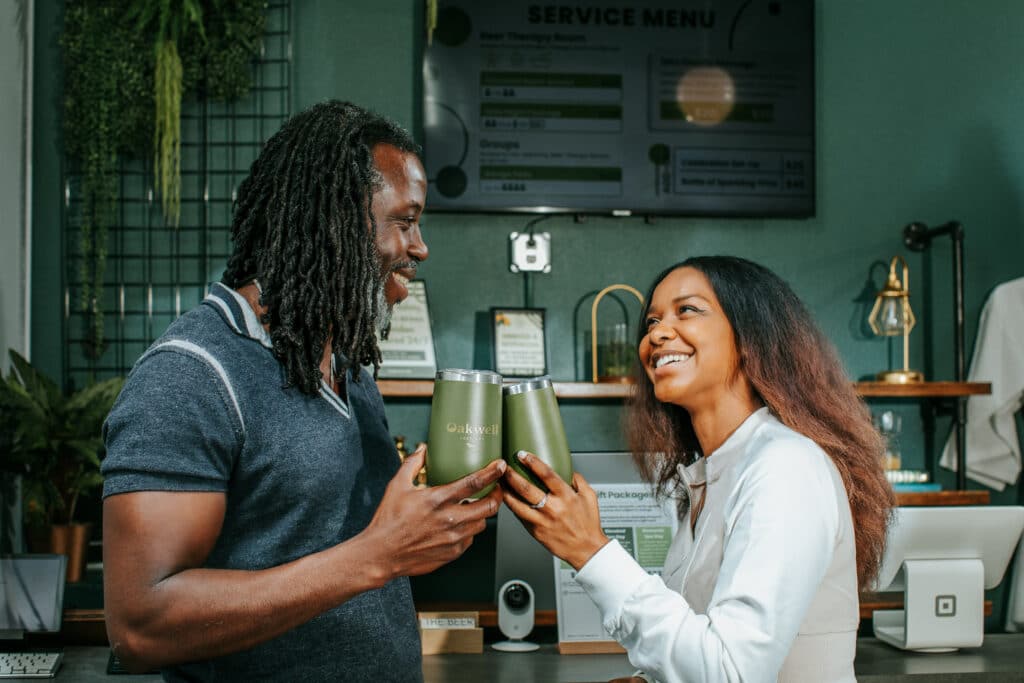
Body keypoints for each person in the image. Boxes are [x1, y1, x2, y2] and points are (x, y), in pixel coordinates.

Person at [100, 100, 506, 681]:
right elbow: (141, 625)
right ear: (338, 220)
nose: (420, 248)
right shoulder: (190, 375)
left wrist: (425, 527)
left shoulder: (347, 369)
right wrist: (377, 556)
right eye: (404, 220)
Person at [502, 256, 895, 682]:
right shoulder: (712, 476)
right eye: (651, 321)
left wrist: (590, 551)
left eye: (686, 310)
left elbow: (730, 672)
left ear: (751, 338)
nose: (657, 333)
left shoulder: (786, 466)